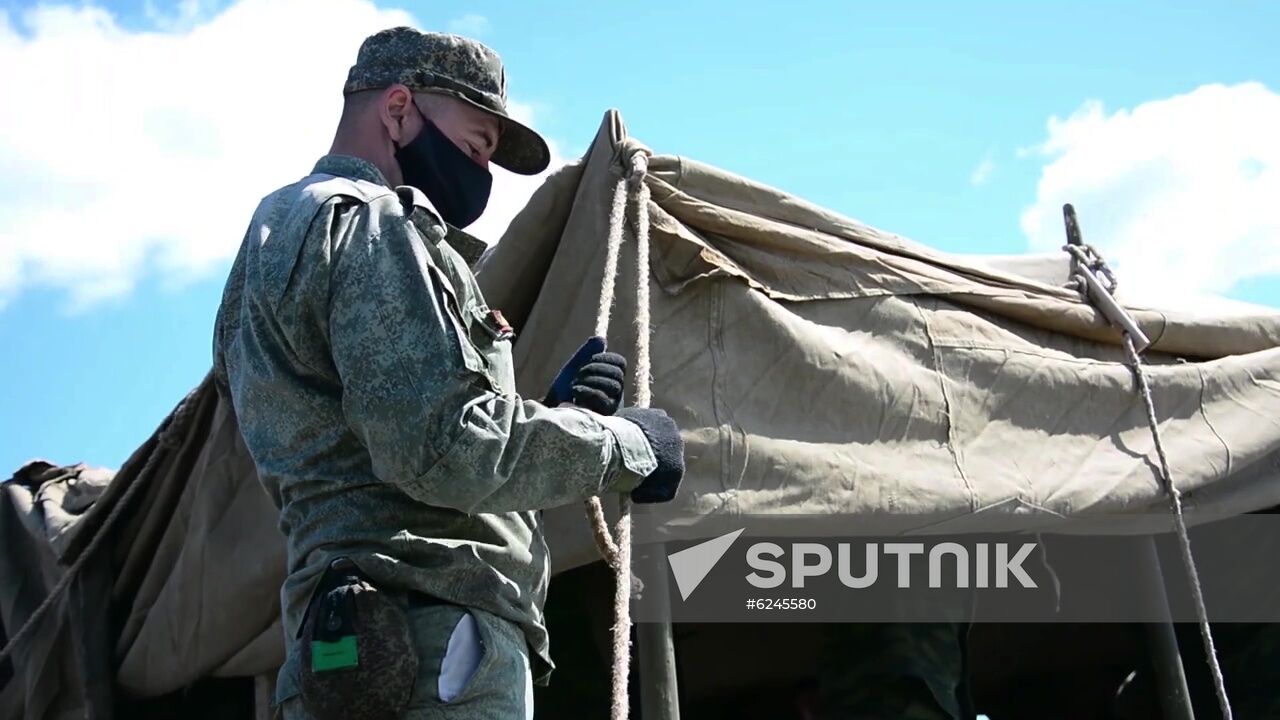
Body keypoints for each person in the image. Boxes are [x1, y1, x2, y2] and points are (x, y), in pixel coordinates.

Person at [212, 26, 686, 720]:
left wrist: (540, 414)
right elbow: (442, 450)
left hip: (339, 649)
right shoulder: (375, 224)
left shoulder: (264, 245)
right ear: (399, 110)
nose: (481, 174)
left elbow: (349, 445)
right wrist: (627, 446)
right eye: (474, 145)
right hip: (435, 645)